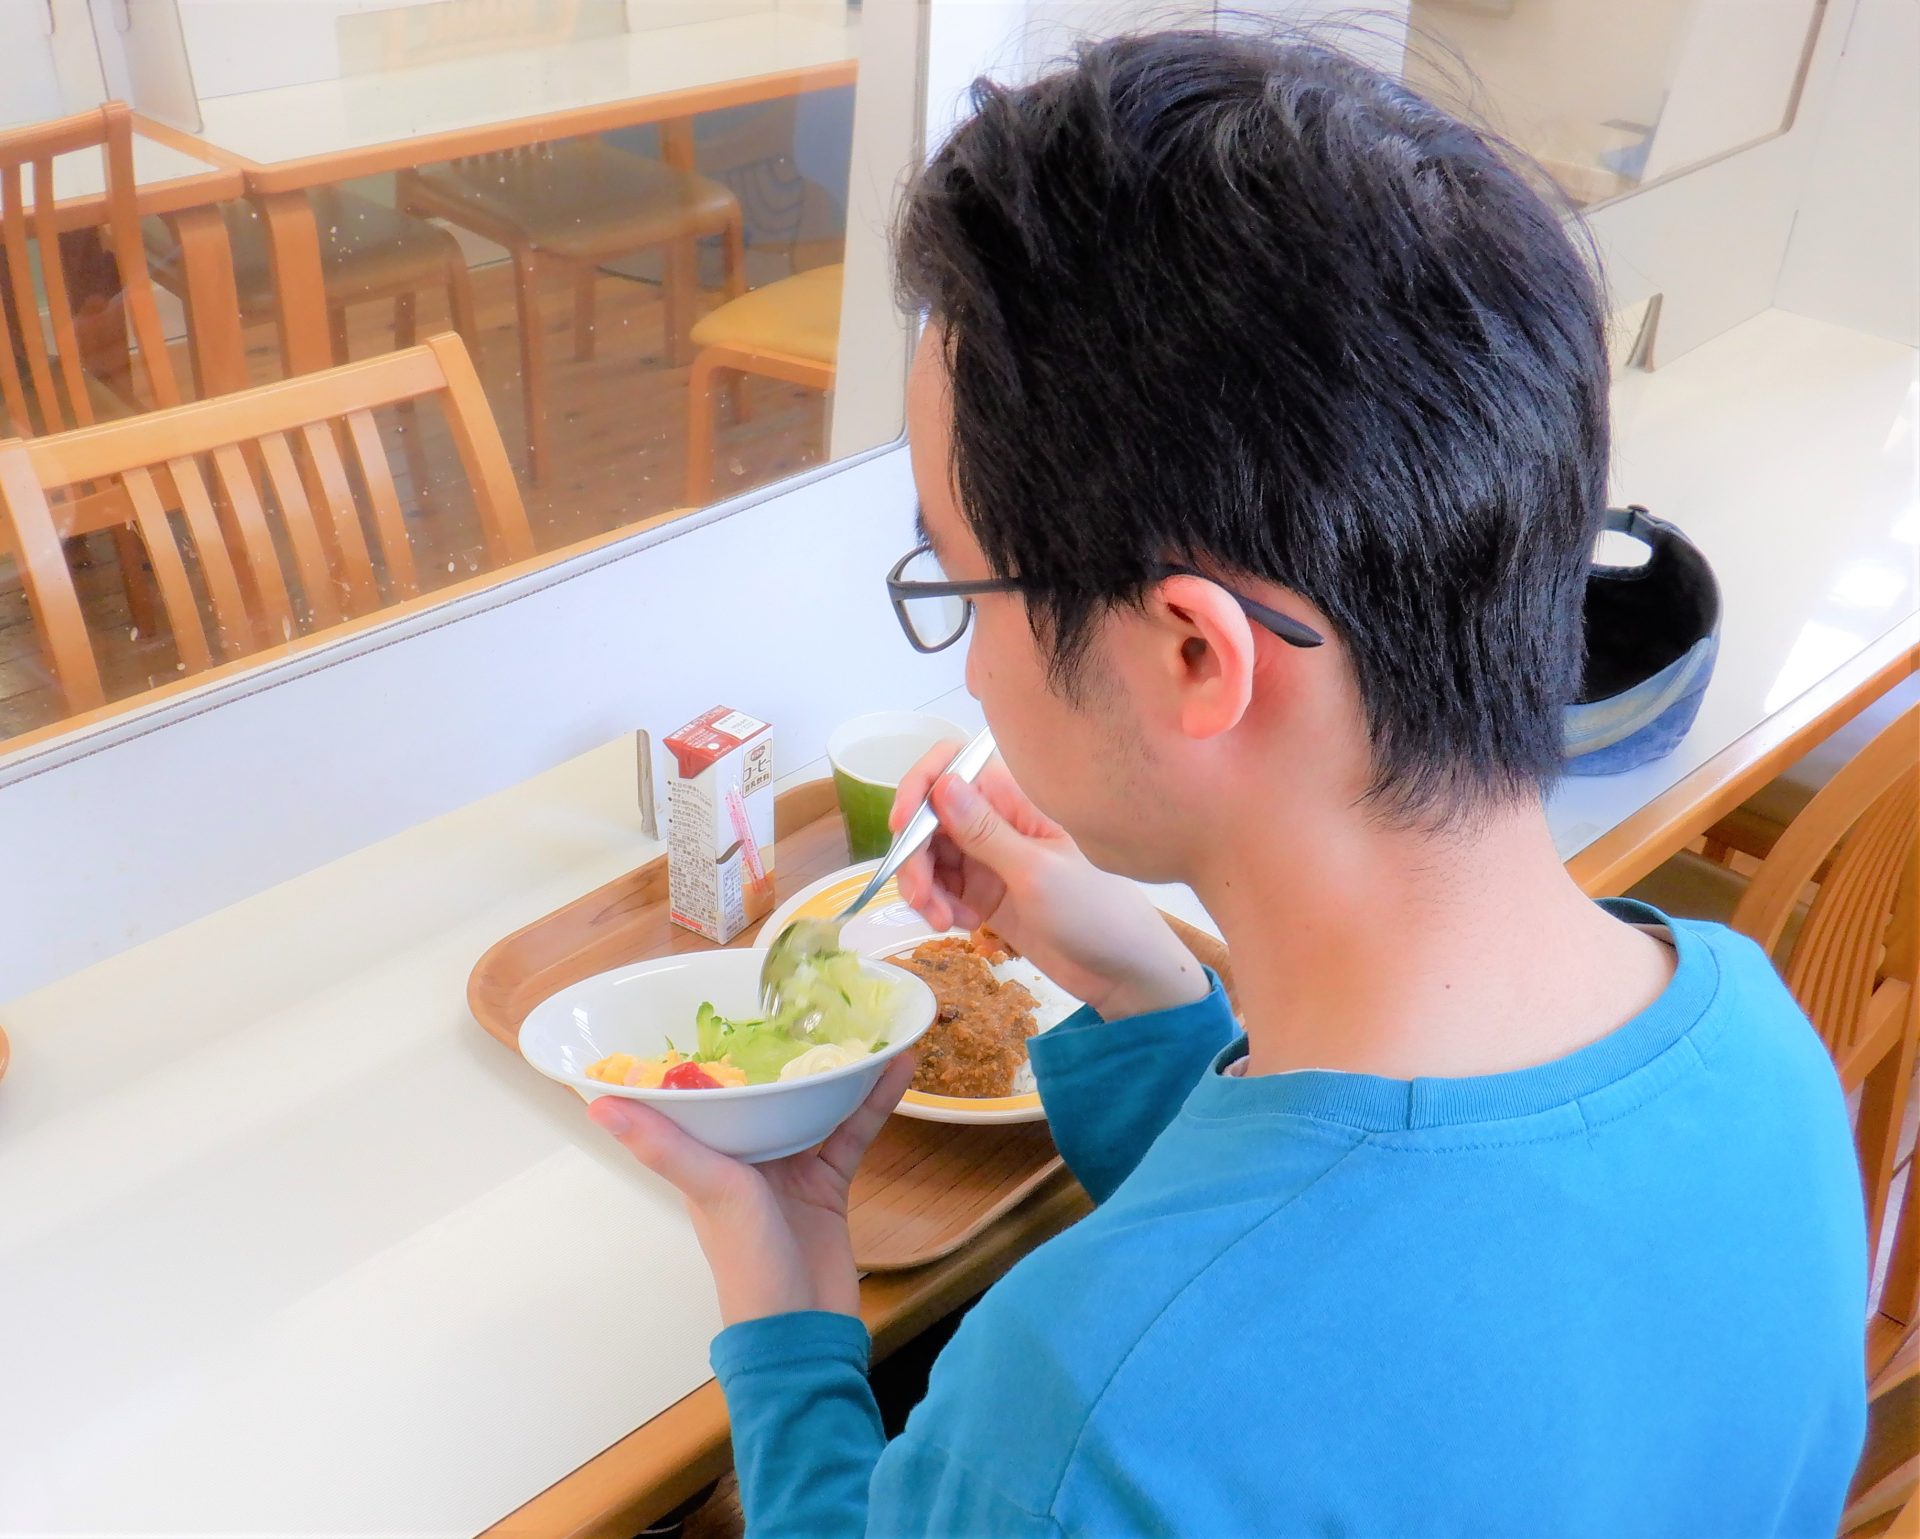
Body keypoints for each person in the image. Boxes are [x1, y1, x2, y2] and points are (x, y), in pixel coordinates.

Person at [590, 29, 1867, 1537]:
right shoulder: (1758, 1037)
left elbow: (1219, 1369)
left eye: (962, 583)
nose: (974, 671)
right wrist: (1147, 996)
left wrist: (793, 1300)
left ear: (1194, 653)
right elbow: (1376, 1314)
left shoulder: (1071, 1422)